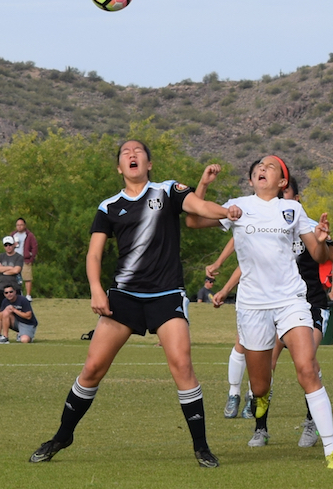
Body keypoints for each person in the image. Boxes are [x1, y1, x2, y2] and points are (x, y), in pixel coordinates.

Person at [29, 140, 240, 469]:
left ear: (149, 163)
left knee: (182, 367)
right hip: (124, 297)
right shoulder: (109, 207)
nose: (132, 154)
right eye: (125, 153)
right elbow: (94, 254)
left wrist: (226, 211)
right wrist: (97, 290)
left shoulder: (167, 191)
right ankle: (62, 435)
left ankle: (201, 447)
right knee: (92, 369)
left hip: (166, 295)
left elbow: (198, 207)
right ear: (119, 167)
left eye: (138, 151)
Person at [190, 155, 333, 470]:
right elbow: (193, 221)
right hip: (252, 305)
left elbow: (318, 255)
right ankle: (256, 401)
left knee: (307, 368)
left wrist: (318, 240)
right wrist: (205, 184)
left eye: (271, 167)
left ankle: (332, 451)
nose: (263, 168)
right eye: (259, 167)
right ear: (251, 180)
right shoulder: (237, 205)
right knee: (260, 386)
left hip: (291, 299)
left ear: (282, 182)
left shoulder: (292, 210)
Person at [0, 235, 24, 342]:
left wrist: (4, 270)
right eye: (6, 245)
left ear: (14, 245)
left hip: (15, 287)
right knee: (0, 311)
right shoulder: (0, 256)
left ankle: (20, 333)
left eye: (10, 244)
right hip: (1, 287)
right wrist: (10, 268)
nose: (8, 247)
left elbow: (17, 270)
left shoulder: (19, 257)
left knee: (18, 310)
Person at [12, 217, 38, 297]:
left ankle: (28, 295)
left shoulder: (29, 235)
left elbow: (35, 247)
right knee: (14, 278)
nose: (19, 226)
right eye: (18, 225)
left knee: (27, 277)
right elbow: (7, 245)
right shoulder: (13, 235)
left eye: (21, 225)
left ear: (25, 225)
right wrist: (13, 245)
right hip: (14, 259)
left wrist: (31, 258)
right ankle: (16, 294)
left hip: (25, 259)